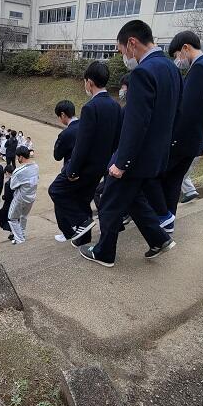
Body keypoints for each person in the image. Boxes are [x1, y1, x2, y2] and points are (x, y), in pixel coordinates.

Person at [80, 20, 180, 268]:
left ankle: (104, 252)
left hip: (136, 156)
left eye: (122, 50)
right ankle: (159, 239)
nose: (123, 56)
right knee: (134, 198)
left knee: (109, 199)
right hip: (156, 154)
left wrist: (122, 163)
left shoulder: (143, 73)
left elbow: (136, 122)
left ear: (132, 43)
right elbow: (175, 113)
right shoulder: (171, 68)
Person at [146, 31, 203, 235]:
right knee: (174, 181)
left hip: (181, 138)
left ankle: (163, 216)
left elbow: (185, 108)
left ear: (186, 48)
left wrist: (170, 138)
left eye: (177, 55)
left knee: (155, 176)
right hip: (195, 139)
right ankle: (167, 220)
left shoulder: (199, 68)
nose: (178, 60)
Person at [49, 61, 121, 245]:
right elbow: (116, 139)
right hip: (101, 166)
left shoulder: (90, 107)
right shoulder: (115, 106)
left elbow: (82, 144)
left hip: (85, 167)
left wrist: (72, 170)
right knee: (83, 200)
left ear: (89, 82)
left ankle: (81, 221)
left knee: (56, 190)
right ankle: (84, 239)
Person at [180, 113, 203, 203]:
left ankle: (189, 191)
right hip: (201, 143)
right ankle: (189, 191)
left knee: (179, 170)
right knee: (184, 169)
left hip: (195, 143)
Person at [8, 147, 39, 245]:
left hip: (21, 198)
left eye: (18, 157)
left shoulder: (18, 171)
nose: (17, 159)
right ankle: (21, 235)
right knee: (24, 216)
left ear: (21, 157)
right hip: (32, 196)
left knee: (12, 218)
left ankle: (20, 239)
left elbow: (12, 186)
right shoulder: (36, 166)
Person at [53, 100, 79, 166]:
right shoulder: (86, 125)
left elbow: (57, 156)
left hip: (72, 168)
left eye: (59, 117)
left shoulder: (65, 134)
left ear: (62, 114)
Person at [0, 164, 16, 235]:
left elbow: (7, 197)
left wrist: (3, 197)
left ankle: (12, 232)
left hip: (9, 204)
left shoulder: (8, 184)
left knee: (3, 218)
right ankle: (12, 233)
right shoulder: (18, 180)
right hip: (17, 202)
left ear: (7, 172)